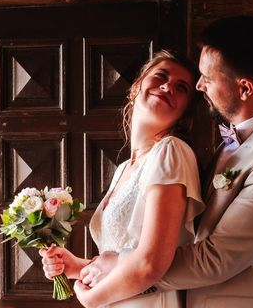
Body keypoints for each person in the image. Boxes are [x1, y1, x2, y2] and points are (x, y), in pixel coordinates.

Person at [71, 16, 253, 308]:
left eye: (207, 78)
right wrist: (98, 267)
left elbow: (214, 260)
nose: (200, 86)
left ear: (244, 89)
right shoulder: (236, 144)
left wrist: (120, 267)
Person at [40, 50, 205, 307]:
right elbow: (121, 255)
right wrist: (80, 267)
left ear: (185, 112)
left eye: (181, 87)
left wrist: (91, 299)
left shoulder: (170, 151)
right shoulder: (124, 168)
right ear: (135, 88)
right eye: (160, 76)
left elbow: (151, 263)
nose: (167, 86)